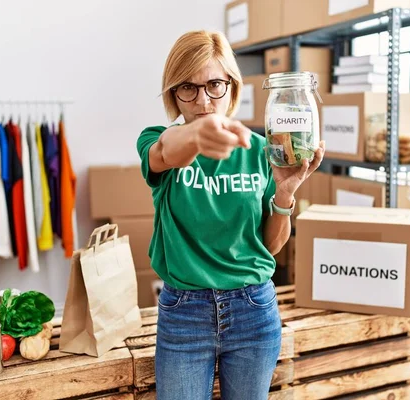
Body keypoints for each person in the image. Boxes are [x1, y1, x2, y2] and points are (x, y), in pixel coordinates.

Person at [136, 30, 325, 400]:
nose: (203, 100)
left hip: (253, 310)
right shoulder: (156, 139)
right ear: (173, 93)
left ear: (232, 87)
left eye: (214, 85)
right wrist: (197, 136)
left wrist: (284, 194)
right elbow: (164, 151)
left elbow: (268, 247)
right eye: (187, 88)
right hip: (184, 314)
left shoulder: (262, 149)